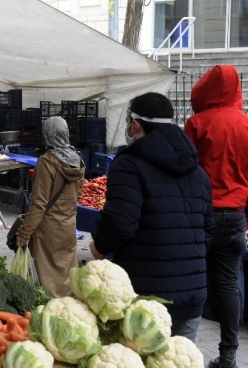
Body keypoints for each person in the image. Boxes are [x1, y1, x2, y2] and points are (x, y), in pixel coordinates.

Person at [89, 93, 214, 340]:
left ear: (136, 124)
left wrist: (99, 247)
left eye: (128, 121)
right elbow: (208, 230)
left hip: (146, 296)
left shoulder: (128, 166)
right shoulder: (198, 172)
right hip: (192, 295)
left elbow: (121, 224)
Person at [184, 65, 248, 368]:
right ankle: (229, 355)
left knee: (190, 279)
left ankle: (184, 352)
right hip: (234, 216)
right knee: (228, 284)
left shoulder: (196, 123)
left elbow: (184, 169)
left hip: (199, 216)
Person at [15, 117, 85, 297]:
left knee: (48, 278)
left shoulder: (46, 162)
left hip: (48, 230)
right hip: (69, 225)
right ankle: (68, 308)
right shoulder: (78, 161)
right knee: (66, 273)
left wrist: (24, 232)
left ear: (47, 135)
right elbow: (77, 195)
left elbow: (39, 204)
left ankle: (50, 311)